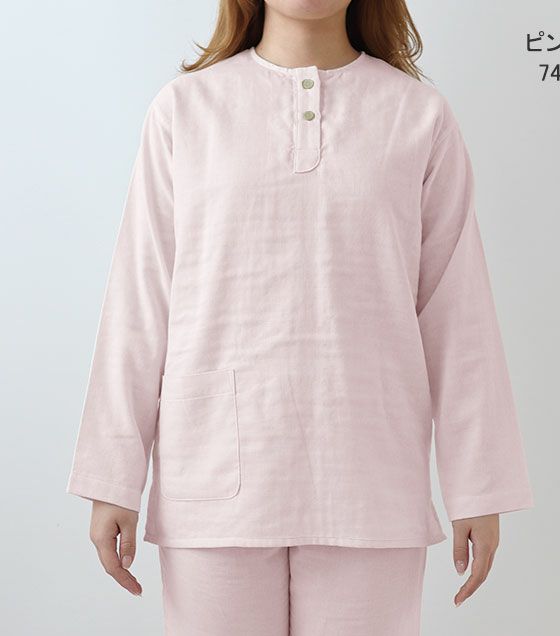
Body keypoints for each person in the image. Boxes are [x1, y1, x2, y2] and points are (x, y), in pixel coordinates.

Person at [66, 1, 535, 634]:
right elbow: (139, 298)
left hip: (370, 481)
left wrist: (478, 487)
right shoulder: (184, 111)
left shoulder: (418, 116)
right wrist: (113, 476)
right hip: (213, 475)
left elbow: (458, 313)